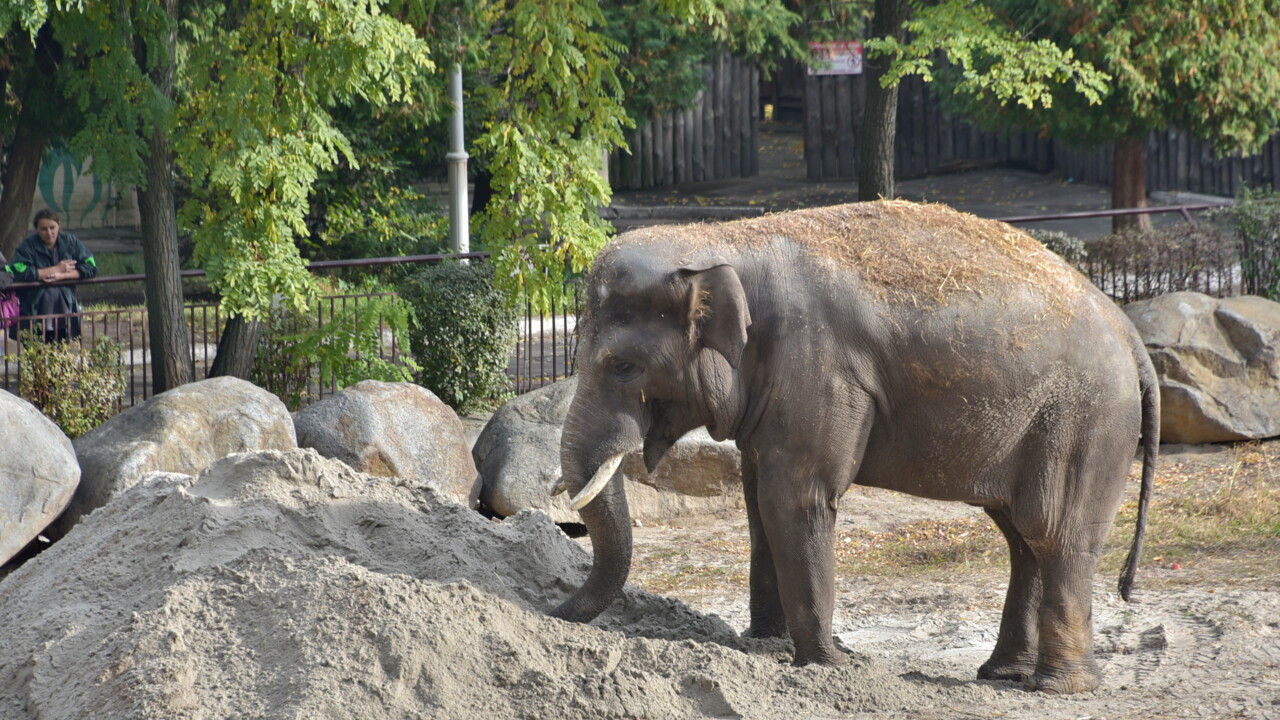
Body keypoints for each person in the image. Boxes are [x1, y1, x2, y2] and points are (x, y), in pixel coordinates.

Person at [9, 208, 97, 341]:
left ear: (59, 225)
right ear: (36, 229)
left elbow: (91, 266)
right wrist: (55, 269)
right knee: (36, 356)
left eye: (52, 227)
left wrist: (63, 275)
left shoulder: (70, 242)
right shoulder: (28, 245)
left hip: (65, 310)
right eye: (43, 229)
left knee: (61, 354)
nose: (49, 233)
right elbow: (17, 271)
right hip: (35, 312)